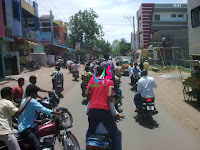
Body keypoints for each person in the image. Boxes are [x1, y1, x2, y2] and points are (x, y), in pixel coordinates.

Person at [85, 66, 122, 150]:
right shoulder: (109, 82)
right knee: (115, 133)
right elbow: (109, 95)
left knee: (90, 132)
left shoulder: (93, 80)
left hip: (92, 110)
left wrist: (93, 96)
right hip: (104, 110)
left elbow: (86, 93)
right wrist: (110, 98)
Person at [18, 84, 62, 150]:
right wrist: (57, 113)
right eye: (36, 92)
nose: (36, 95)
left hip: (25, 125)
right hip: (26, 129)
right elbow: (43, 109)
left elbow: (25, 116)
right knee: (38, 147)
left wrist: (37, 121)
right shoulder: (31, 101)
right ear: (32, 93)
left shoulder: (24, 100)